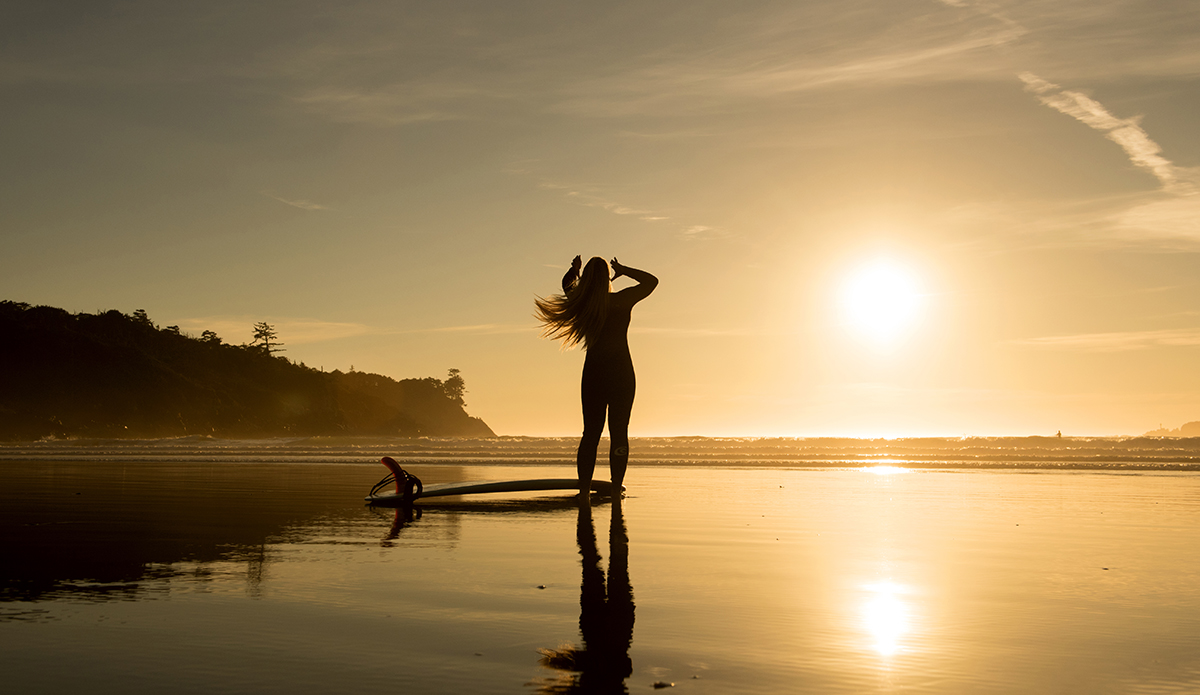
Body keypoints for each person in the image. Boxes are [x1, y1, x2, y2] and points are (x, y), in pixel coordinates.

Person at [535, 255, 658, 496]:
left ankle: (584, 489)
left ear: (588, 279)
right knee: (619, 431)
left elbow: (567, 284)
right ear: (607, 279)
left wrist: (574, 270)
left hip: (594, 372)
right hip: (621, 371)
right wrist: (624, 269)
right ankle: (615, 489)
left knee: (591, 432)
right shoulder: (622, 300)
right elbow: (651, 281)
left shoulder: (583, 303)